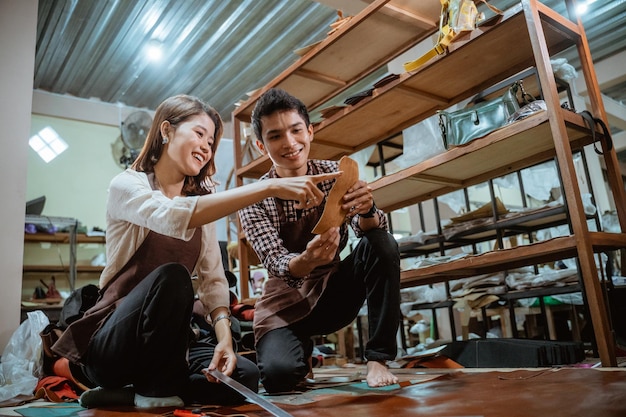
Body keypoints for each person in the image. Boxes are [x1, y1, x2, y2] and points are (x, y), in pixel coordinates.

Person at [49, 94, 340, 408]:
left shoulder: (202, 200)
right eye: (199, 133)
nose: (206, 146)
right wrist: (267, 186)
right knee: (173, 276)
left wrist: (225, 340)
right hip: (114, 342)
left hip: (169, 345)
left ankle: (133, 394)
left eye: (212, 141)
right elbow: (173, 215)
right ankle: (148, 388)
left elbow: (214, 281)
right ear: (166, 131)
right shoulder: (127, 185)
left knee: (243, 376)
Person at [238, 88, 401, 393]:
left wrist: (367, 210)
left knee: (382, 242)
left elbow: (367, 231)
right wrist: (306, 260)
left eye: (296, 130)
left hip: (332, 294)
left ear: (310, 131)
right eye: (275, 136)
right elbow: (276, 264)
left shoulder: (334, 174)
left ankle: (379, 358)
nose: (289, 143)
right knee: (279, 378)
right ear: (262, 146)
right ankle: (297, 355)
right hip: (283, 306)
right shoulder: (255, 197)